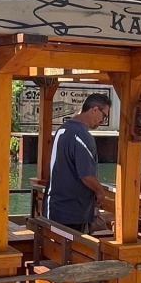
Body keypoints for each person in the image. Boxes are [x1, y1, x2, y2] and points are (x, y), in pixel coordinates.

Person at [43, 93, 110, 233]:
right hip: (72, 213)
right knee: (75, 246)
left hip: (53, 208)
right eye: (104, 116)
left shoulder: (63, 129)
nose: (102, 121)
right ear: (95, 109)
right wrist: (100, 192)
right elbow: (87, 176)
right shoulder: (82, 135)